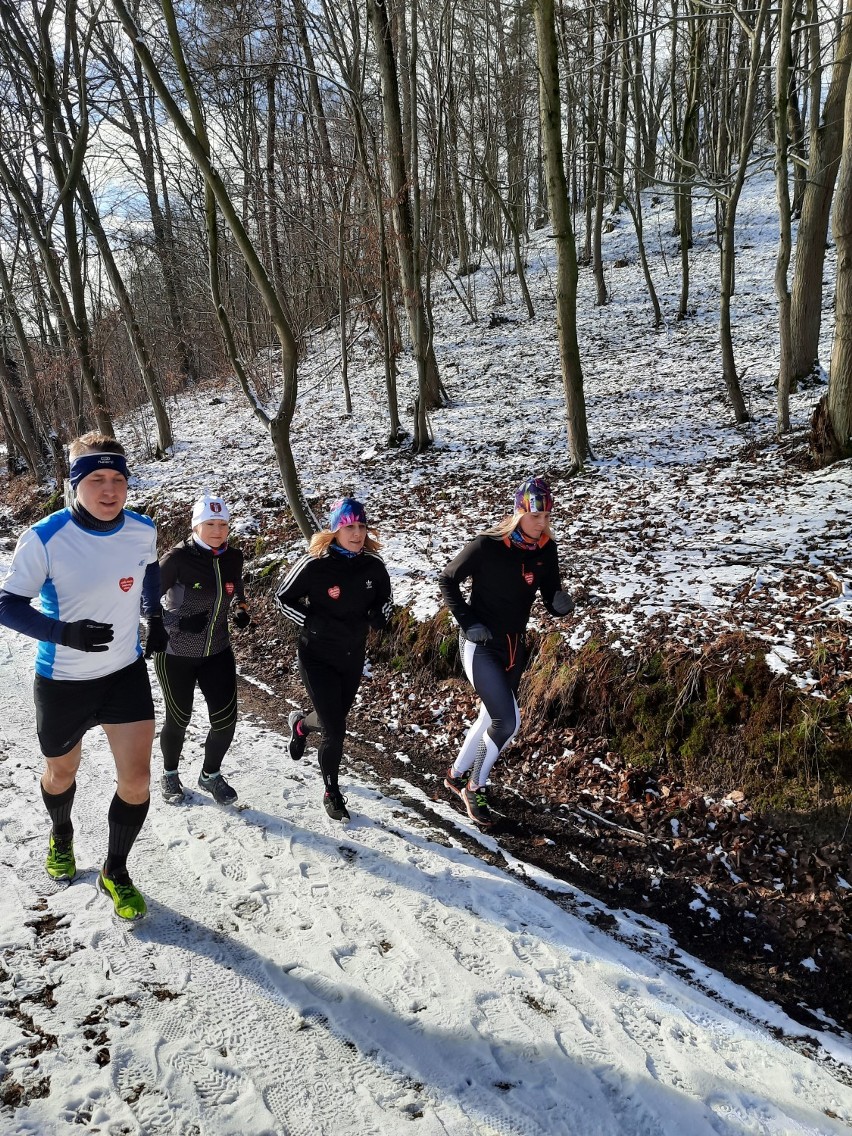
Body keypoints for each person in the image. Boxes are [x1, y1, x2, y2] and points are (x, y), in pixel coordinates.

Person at [0, 432, 168, 920]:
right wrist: (62, 633)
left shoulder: (141, 529)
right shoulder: (46, 537)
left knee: (137, 781)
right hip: (63, 681)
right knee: (61, 774)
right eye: (96, 479)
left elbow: (149, 569)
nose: (110, 489)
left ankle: (115, 870)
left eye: (118, 478)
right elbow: (7, 604)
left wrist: (154, 616)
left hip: (123, 674)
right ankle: (62, 834)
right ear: (75, 483)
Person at [438, 476, 574, 827]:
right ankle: (474, 787)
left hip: (515, 646)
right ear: (518, 513)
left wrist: (559, 606)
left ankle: (455, 775)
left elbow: (548, 594)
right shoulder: (488, 545)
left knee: (490, 718)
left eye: (546, 516)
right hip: (479, 644)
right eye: (534, 515)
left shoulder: (546, 550)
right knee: (507, 722)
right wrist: (468, 622)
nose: (541, 523)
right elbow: (447, 579)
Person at [275, 497, 392, 821]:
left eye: (361, 526)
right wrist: (312, 622)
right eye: (348, 527)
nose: (356, 533)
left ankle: (300, 726)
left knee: (331, 720)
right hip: (317, 655)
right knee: (336, 730)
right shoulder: (316, 564)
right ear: (336, 530)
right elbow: (282, 598)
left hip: (353, 656)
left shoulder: (374, 567)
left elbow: (386, 601)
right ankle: (332, 791)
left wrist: (380, 615)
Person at [153, 494, 250, 806]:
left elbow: (236, 587)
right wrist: (177, 622)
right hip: (175, 652)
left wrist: (239, 607)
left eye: (223, 524)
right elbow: (143, 602)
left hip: (218, 651)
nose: (218, 530)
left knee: (225, 720)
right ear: (196, 525)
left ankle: (209, 775)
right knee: (178, 719)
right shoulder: (177, 559)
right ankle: (169, 773)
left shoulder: (233, 557)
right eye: (210, 523)